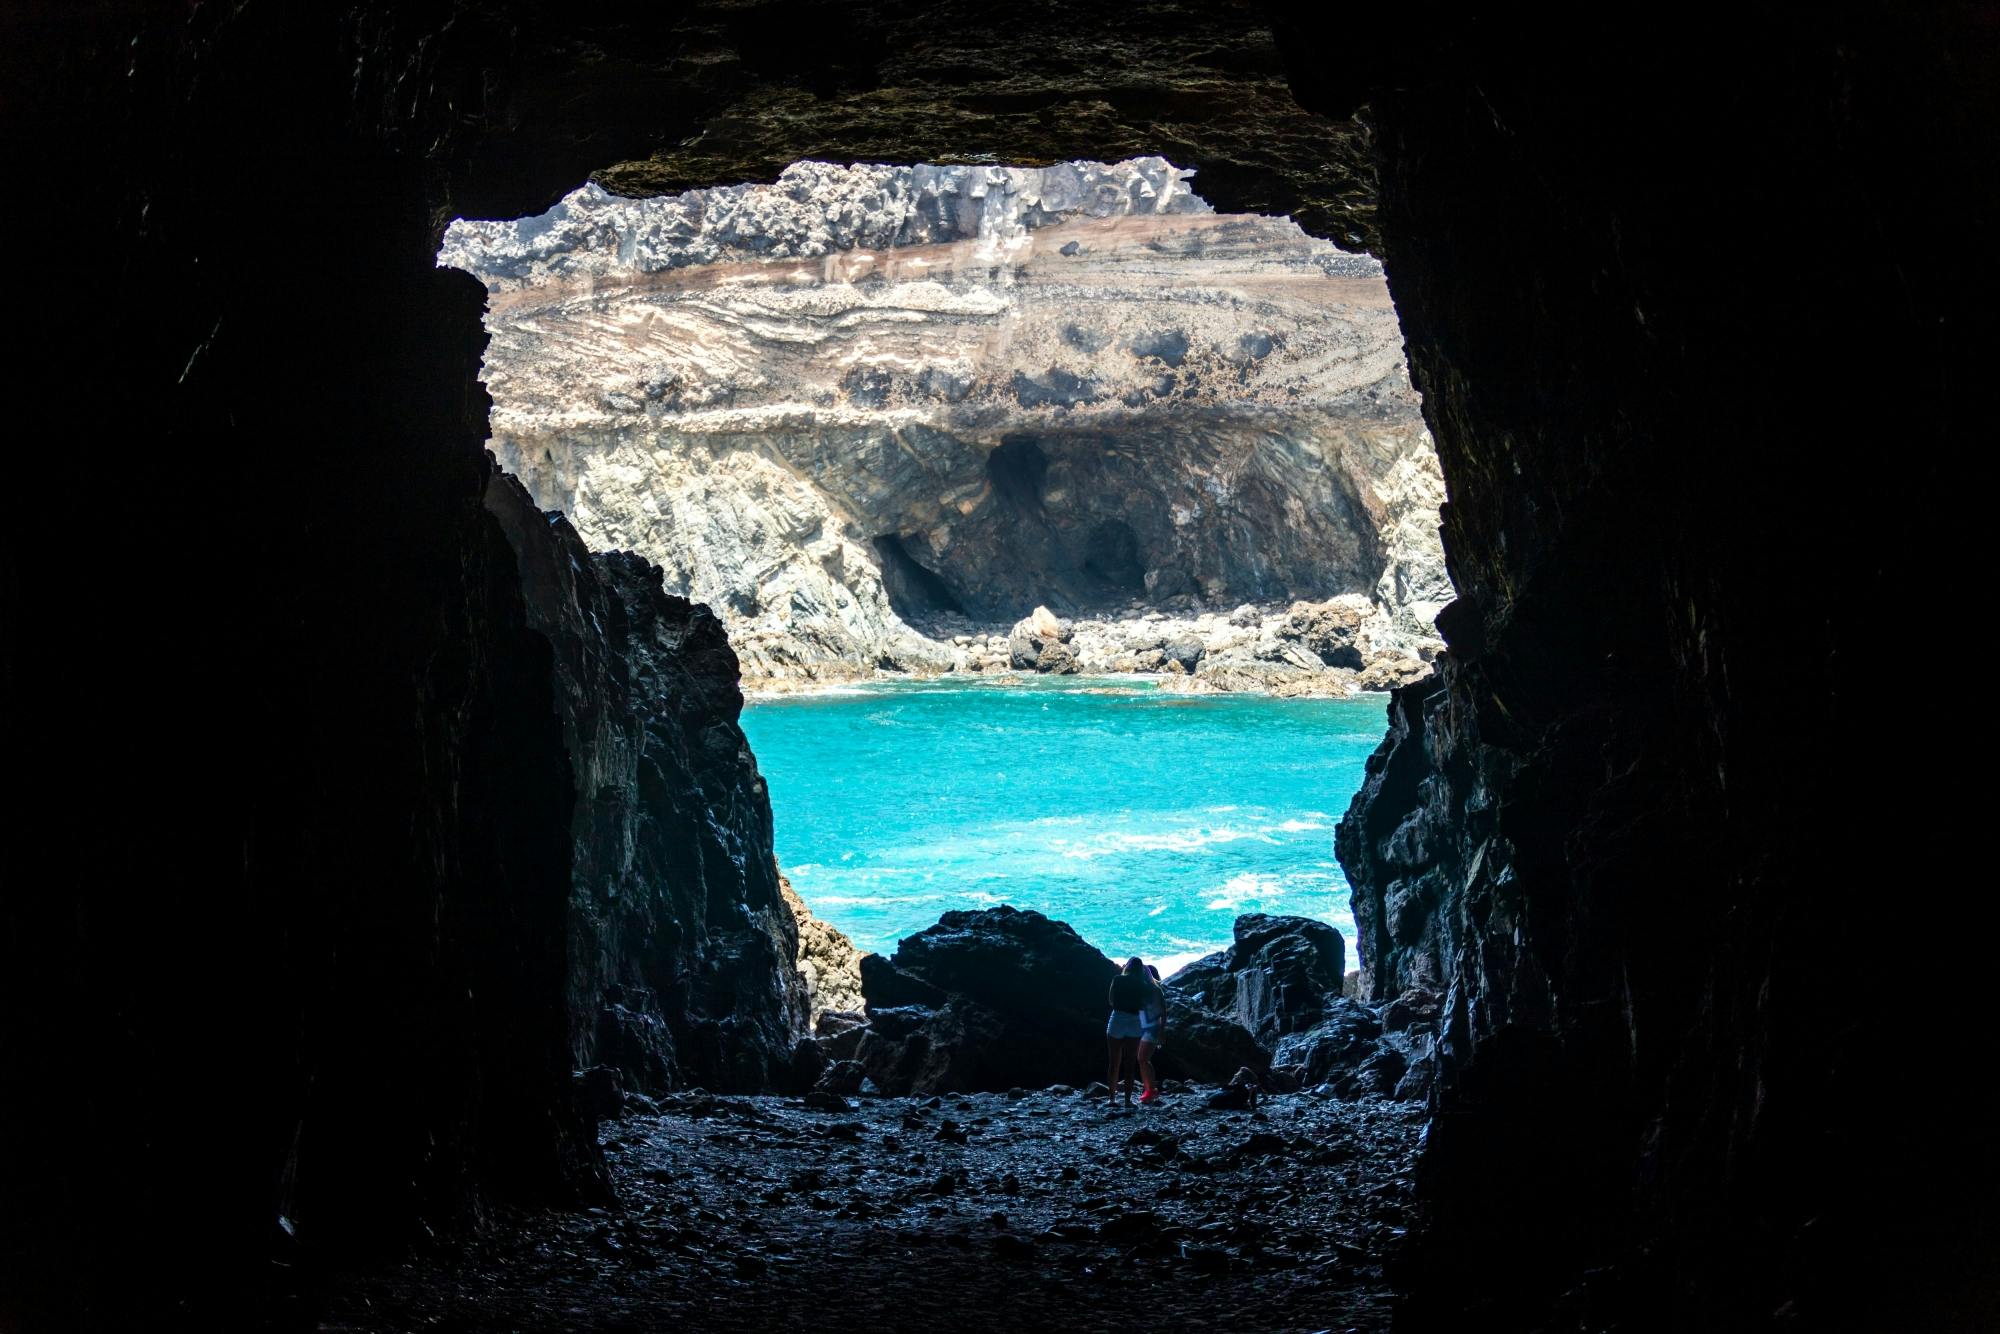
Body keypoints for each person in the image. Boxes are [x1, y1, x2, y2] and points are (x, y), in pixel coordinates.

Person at [1106, 957, 1151, 1108]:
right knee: (1130, 1064)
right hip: (1134, 1022)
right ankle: (1127, 1101)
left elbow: (1111, 1000)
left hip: (1117, 1019)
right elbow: (1145, 1005)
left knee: (1114, 1063)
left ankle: (1112, 1099)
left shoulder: (1117, 979)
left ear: (1128, 966)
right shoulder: (1143, 985)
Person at [1136, 963, 1167, 1103]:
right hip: (1147, 1027)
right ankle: (1148, 1089)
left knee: (1143, 1059)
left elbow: (1162, 1011)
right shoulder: (1150, 989)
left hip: (1151, 1027)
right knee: (1142, 1059)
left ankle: (1151, 1090)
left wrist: (1161, 1031)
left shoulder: (1154, 989)